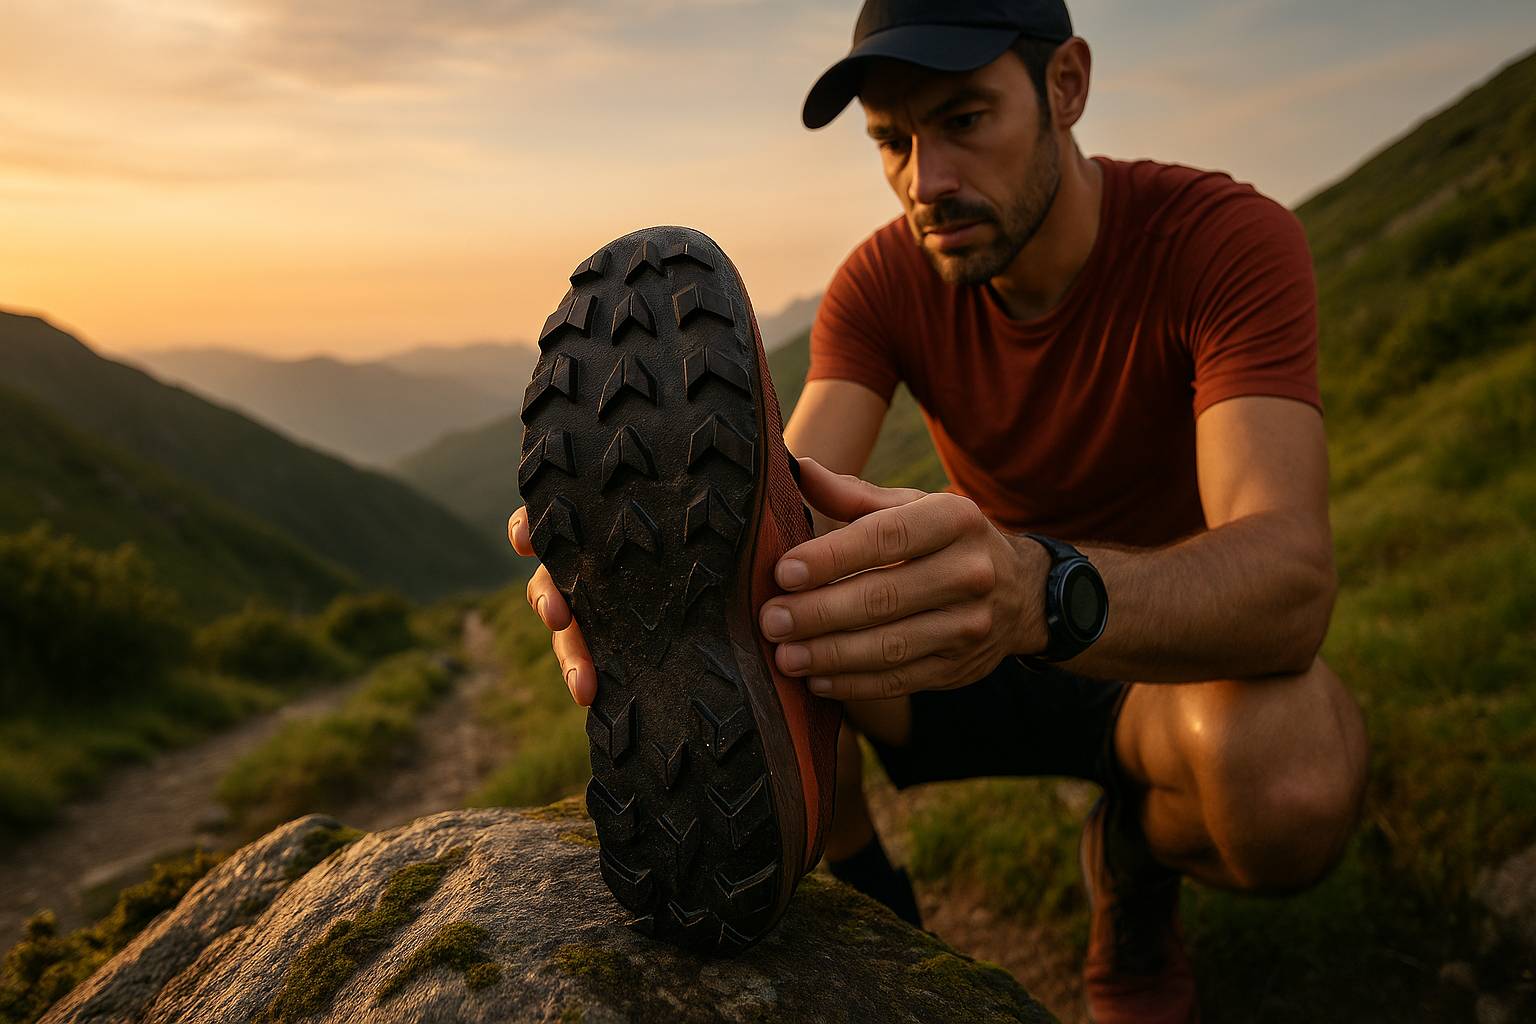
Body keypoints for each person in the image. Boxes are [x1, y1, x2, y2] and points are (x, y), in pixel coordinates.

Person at [511, 1, 1368, 1019]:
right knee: (776, 588)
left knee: (1296, 783)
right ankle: (875, 907)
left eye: (965, 120)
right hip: (969, 639)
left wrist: (1033, 588)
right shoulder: (883, 281)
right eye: (892, 142)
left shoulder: (1226, 242)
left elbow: (1289, 582)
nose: (927, 180)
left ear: (1068, 87)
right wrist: (636, 559)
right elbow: (780, 496)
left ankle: (1133, 864)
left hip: (1157, 657)